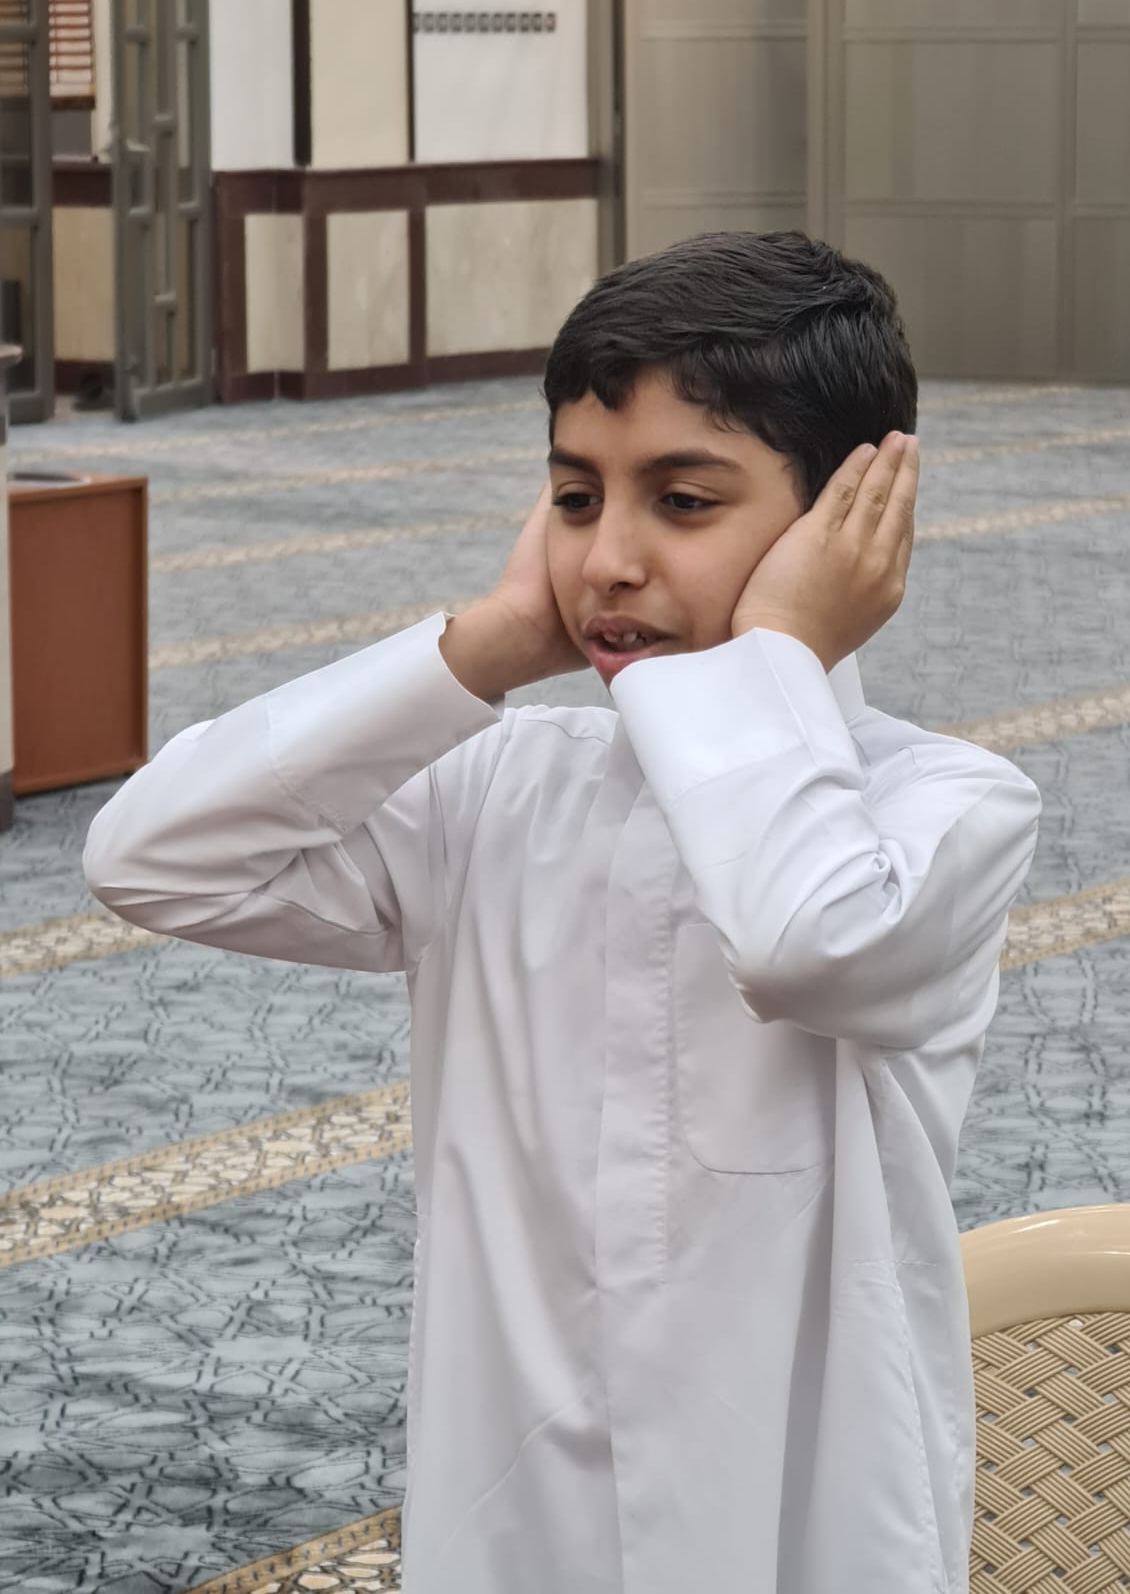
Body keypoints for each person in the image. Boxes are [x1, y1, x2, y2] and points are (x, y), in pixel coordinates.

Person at [83, 230, 1040, 1593]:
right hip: (512, 1514)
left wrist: (775, 651)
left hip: (796, 1522)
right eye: (577, 499)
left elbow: (804, 940)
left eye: (683, 502)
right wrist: (484, 645)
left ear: (847, 519)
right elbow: (152, 856)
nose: (610, 561)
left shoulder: (943, 810)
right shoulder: (499, 787)